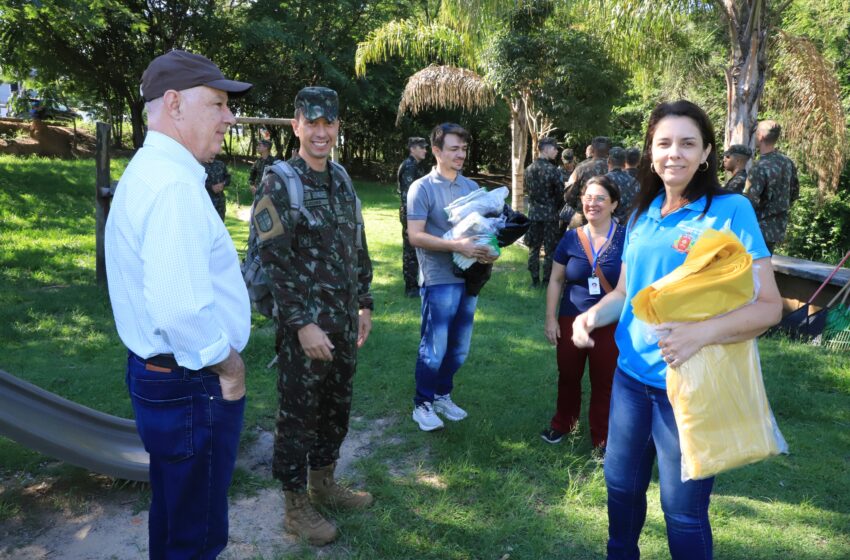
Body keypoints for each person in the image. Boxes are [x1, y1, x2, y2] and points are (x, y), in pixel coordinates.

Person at [571, 100, 782, 559]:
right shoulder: (641, 214)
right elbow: (625, 293)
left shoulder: (730, 210)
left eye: (688, 143)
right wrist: (591, 316)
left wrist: (699, 334)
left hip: (689, 385)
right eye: (664, 143)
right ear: (650, 151)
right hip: (630, 381)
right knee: (620, 489)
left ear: (706, 153)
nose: (675, 153)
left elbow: (769, 307)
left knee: (682, 510)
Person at [105, 49, 252, 559]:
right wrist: (229, 368)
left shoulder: (153, 171)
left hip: (165, 377)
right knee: (196, 533)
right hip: (193, 381)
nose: (229, 118)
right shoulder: (172, 186)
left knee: (174, 514)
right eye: (217, 104)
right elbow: (180, 312)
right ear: (174, 104)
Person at [254, 86, 374, 546]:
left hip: (342, 321)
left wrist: (364, 303)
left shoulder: (340, 179)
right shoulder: (279, 182)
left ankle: (323, 483)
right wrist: (302, 325)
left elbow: (356, 244)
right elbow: (274, 263)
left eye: (329, 123)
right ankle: (294, 506)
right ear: (296, 126)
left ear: (337, 126)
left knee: (336, 407)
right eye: (312, 123)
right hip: (304, 328)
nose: (321, 132)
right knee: (298, 415)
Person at [406, 122, 499, 432]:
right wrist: (456, 245)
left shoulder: (471, 188)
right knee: (434, 347)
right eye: (454, 149)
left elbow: (486, 230)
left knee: (459, 348)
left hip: (469, 277)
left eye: (464, 149)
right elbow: (415, 236)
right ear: (436, 150)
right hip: (438, 278)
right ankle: (422, 404)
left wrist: (491, 250)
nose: (461, 154)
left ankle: (442, 395)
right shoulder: (421, 188)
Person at [542, 175, 625, 449]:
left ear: (614, 204)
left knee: (605, 381)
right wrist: (551, 318)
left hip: (610, 321)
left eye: (600, 198)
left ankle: (602, 438)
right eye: (588, 198)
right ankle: (562, 424)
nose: (593, 203)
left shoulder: (626, 238)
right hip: (571, 317)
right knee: (568, 376)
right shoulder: (570, 238)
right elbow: (556, 280)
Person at [743, 120, 800, 253]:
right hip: (777, 228)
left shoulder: (759, 167)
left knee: (751, 264)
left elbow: (748, 203)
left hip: (757, 229)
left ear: (761, 136)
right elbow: (794, 193)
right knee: (766, 262)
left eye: (756, 132)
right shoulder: (787, 162)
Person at [524, 136, 564, 287]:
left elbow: (528, 191)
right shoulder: (553, 171)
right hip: (550, 215)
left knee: (533, 248)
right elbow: (560, 194)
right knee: (550, 249)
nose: (557, 151)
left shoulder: (529, 169)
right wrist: (555, 207)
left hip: (534, 214)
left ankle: (534, 280)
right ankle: (547, 280)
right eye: (554, 148)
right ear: (546, 149)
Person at [398, 136, 429, 297]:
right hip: (411, 213)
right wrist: (412, 218)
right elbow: (408, 196)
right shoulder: (409, 166)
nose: (425, 150)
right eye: (422, 147)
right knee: (410, 250)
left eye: (425, 147)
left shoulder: (416, 166)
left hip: (415, 213)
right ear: (412, 149)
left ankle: (416, 283)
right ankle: (410, 287)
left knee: (416, 249)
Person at [564, 136, 611, 227]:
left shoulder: (581, 168)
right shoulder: (614, 170)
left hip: (584, 216)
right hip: (608, 218)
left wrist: (579, 206)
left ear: (592, 150)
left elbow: (568, 196)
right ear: (608, 150)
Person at [605, 147, 640, 222]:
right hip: (629, 225)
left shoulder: (603, 181)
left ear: (609, 161)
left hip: (609, 225)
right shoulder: (634, 181)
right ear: (624, 162)